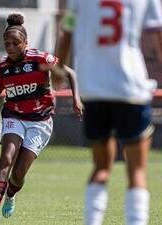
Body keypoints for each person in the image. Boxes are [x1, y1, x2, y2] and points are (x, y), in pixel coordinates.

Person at [0, 13, 83, 224]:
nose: (10, 47)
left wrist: (76, 100)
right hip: (14, 115)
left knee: (19, 173)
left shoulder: (40, 60)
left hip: (40, 121)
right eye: (6, 44)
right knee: (6, 158)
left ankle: (11, 194)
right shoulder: (3, 67)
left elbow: (70, 73)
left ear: (26, 43)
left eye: (15, 43)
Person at [53, 0, 162, 224]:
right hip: (130, 88)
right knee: (137, 171)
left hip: (94, 88)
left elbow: (67, 32)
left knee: (101, 167)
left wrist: (57, 71)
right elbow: (157, 35)